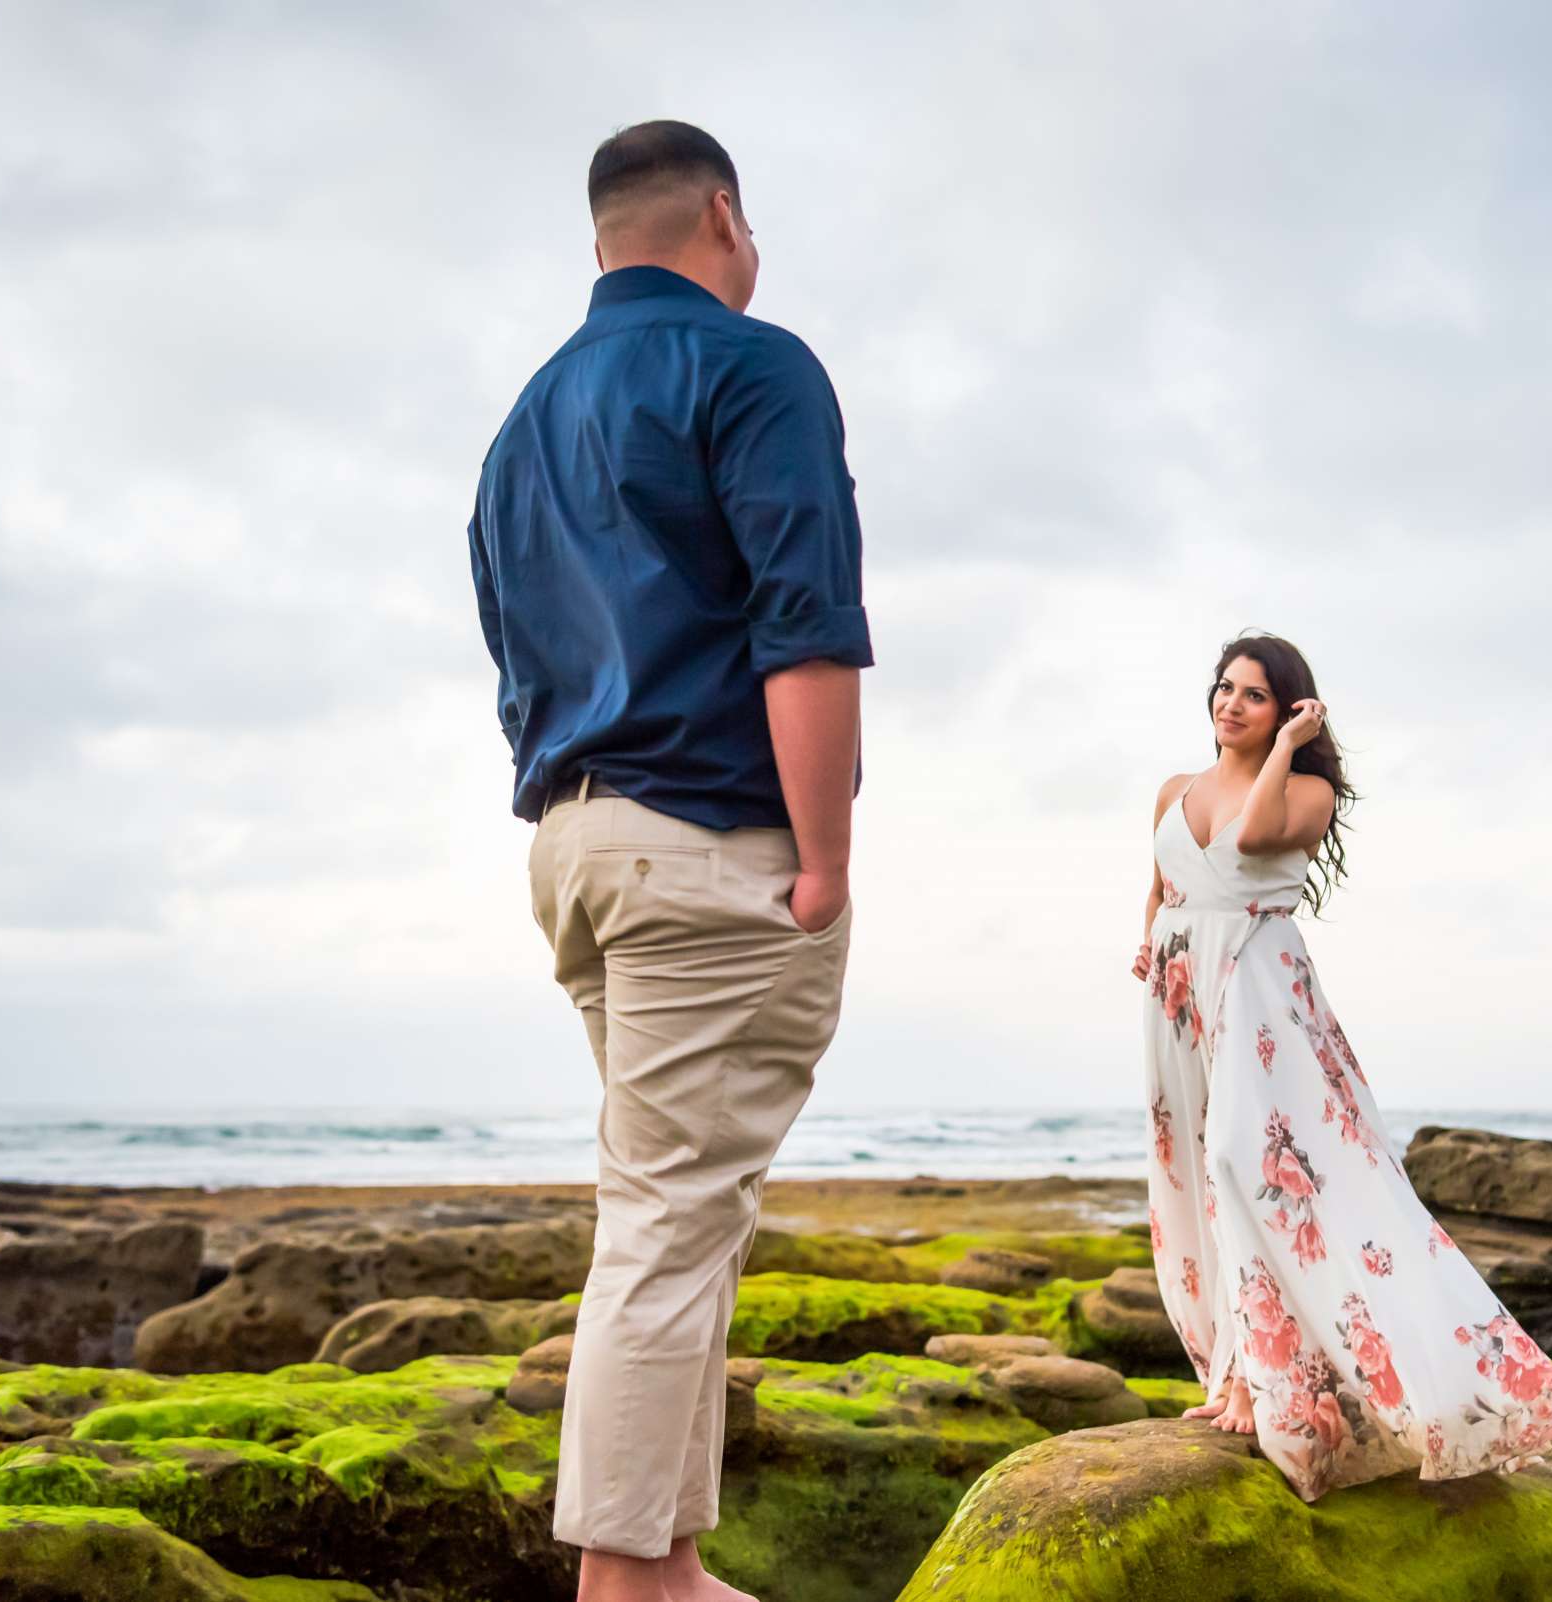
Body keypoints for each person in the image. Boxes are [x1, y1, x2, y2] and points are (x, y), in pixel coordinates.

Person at [467, 120, 869, 1602]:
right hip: (710, 842)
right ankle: (628, 1587)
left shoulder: (522, 423)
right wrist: (822, 858)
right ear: (724, 215)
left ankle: (675, 1563)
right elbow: (805, 621)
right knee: (666, 1227)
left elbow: (515, 658)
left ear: (598, 240)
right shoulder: (752, 365)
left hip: (574, 842)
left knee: (683, 1217)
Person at [1133, 632, 1552, 1499]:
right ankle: (1230, 1373)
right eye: (1224, 689)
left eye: (1256, 697)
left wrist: (1281, 753)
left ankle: (1275, 1384)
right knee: (1193, 1169)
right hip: (1179, 993)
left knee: (1247, 1160)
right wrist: (1146, 947)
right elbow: (1162, 881)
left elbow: (1260, 833)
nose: (1231, 704)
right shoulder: (1172, 788)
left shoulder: (1303, 790)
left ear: (1289, 713)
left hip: (1259, 990)